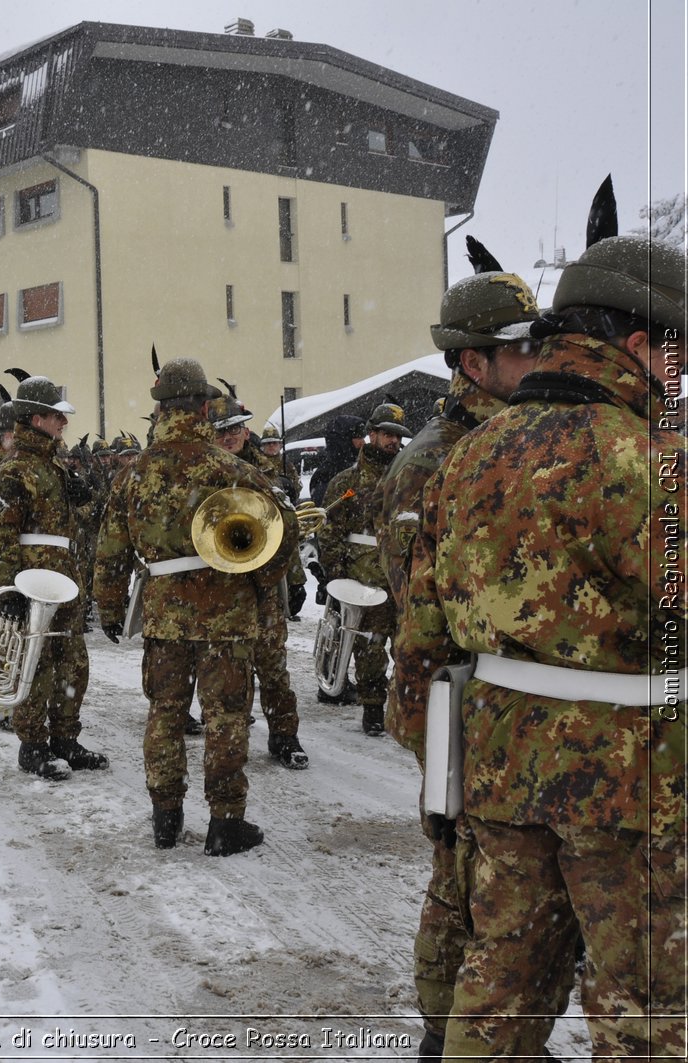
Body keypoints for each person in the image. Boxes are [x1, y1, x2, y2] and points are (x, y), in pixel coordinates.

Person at [392, 232, 685, 1059]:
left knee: (500, 996)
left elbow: (421, 642)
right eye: (678, 360)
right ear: (636, 345)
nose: (680, 379)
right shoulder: (653, 463)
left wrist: (446, 774)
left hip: (499, 775)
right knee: (647, 1012)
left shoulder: (466, 459)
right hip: (634, 792)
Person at [378, 263, 561, 1060]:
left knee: (508, 892)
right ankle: (443, 1029)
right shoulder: (433, 460)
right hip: (457, 698)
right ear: (472, 363)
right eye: (519, 347)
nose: (538, 358)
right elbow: (423, 605)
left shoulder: (530, 434)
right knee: (462, 882)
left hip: (516, 709)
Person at [94, 359, 296, 854]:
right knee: (226, 716)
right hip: (228, 616)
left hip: (164, 614)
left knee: (164, 712)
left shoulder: (134, 473)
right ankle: (226, 823)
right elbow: (279, 540)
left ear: (160, 409)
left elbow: (110, 550)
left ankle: (166, 816)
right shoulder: (235, 469)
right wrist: (265, 583)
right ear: (205, 408)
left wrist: (110, 606)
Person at [0, 374, 107, 780]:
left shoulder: (51, 466)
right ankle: (33, 745)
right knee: (33, 661)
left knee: (72, 662)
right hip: (31, 579)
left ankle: (65, 739)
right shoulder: (15, 469)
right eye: (56, 417)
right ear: (36, 419)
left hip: (63, 577)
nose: (63, 423)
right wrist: (8, 586)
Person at [212, 396, 308, 770]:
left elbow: (288, 526)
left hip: (261, 585)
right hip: (218, 587)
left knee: (273, 667)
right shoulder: (205, 470)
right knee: (225, 671)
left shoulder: (265, 470)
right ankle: (228, 744)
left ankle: (285, 736)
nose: (230, 436)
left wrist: (287, 577)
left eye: (236, 429)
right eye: (222, 431)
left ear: (246, 430)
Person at [320, 402, 409, 735]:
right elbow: (329, 531)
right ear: (372, 434)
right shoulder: (348, 481)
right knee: (370, 649)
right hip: (364, 578)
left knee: (408, 648)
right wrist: (337, 573)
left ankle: (405, 710)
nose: (393, 442)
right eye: (387, 434)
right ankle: (373, 708)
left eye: (397, 437)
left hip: (402, 577)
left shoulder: (408, 477)